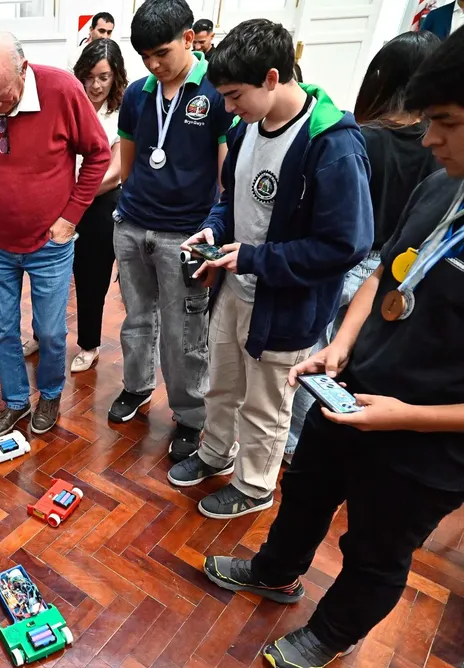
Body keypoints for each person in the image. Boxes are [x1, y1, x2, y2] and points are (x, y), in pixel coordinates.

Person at [203, 28, 464, 668]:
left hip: (426, 441)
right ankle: (275, 569)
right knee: (308, 492)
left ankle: (330, 635)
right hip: (351, 390)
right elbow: (384, 272)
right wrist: (340, 346)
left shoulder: (334, 144)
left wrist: (399, 417)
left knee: (376, 548)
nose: (428, 139)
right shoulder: (442, 185)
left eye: (448, 124)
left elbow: (346, 247)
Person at [171, 19, 373, 520]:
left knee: (266, 405)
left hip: (286, 304)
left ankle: (255, 485)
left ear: (272, 77)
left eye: (235, 96)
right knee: (221, 383)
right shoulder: (244, 131)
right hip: (236, 288)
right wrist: (214, 232)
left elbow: (346, 245)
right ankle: (216, 453)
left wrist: (257, 257)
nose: (230, 109)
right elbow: (232, 202)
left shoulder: (332, 144)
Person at [286, 30, 442, 461]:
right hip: (394, 272)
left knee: (315, 359)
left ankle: (297, 445)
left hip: (346, 263)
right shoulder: (436, 147)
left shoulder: (360, 137)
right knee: (348, 362)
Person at [0, 32, 110, 436]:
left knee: (52, 332)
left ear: (25, 68)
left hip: (49, 243)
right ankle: (16, 401)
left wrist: (71, 217)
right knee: (2, 330)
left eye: (3, 97)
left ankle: (51, 393)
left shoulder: (63, 89)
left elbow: (98, 153)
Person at [108, 0, 232, 464]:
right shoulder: (139, 93)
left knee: (184, 332)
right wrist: (126, 203)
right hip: (135, 222)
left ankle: (190, 414)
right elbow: (129, 158)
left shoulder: (216, 93)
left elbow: (226, 175)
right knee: (137, 318)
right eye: (144, 55)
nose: (153, 64)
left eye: (161, 52)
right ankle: (137, 387)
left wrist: (212, 232)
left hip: (184, 234)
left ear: (188, 38)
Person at [69, 39, 127, 373]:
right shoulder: (71, 103)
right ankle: (40, 334)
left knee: (92, 279)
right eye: (90, 76)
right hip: (62, 200)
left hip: (100, 204)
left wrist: (78, 196)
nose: (96, 84)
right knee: (49, 275)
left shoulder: (121, 111)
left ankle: (89, 344)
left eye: (103, 76)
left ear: (115, 76)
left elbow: (117, 170)